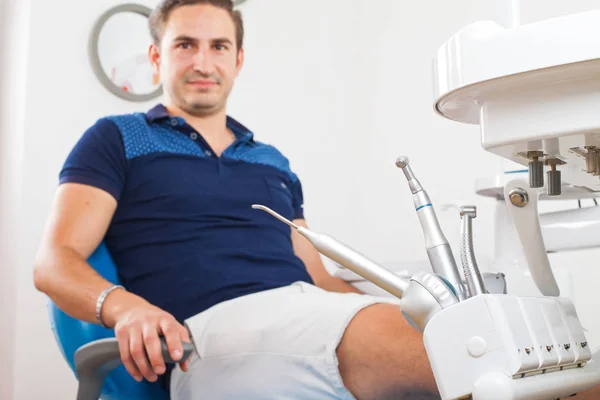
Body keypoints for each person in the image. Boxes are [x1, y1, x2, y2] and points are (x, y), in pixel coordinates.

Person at [33, 1, 600, 399]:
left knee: (530, 351)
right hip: (204, 335)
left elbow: (317, 280)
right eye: (185, 45)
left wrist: (408, 299)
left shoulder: (271, 160)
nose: (203, 61)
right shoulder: (117, 138)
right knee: (482, 355)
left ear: (238, 59)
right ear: (158, 58)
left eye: (218, 46)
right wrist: (125, 306)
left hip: (302, 306)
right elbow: (54, 262)